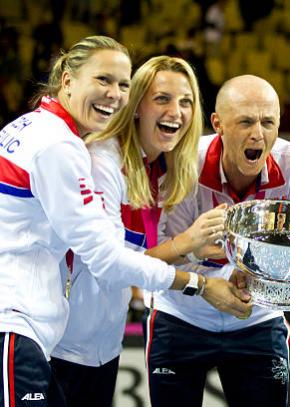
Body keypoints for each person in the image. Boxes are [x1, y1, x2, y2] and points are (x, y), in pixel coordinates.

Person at [0, 36, 249, 406]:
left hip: (89, 340)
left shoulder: (158, 169)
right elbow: (108, 262)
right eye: (161, 99)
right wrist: (197, 279)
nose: (113, 93)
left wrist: (196, 251)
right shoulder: (84, 154)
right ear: (67, 80)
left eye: (186, 102)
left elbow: (139, 255)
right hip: (45, 334)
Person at [149, 74, 290, 406]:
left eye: (268, 122)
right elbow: (154, 257)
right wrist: (194, 249)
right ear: (218, 123)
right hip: (182, 316)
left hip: (258, 319)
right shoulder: (184, 164)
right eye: (246, 121)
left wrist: (259, 271)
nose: (258, 133)